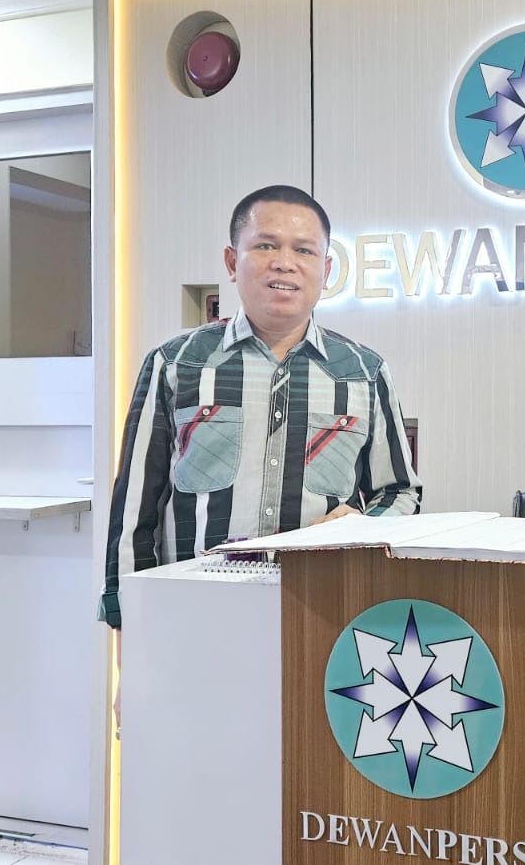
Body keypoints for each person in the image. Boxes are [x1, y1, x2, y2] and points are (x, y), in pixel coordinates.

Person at [99, 185, 420, 628]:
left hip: (322, 612)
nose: (285, 262)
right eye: (266, 245)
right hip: (193, 613)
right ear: (233, 262)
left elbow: (400, 492)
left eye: (304, 250)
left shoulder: (363, 372)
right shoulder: (176, 364)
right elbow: (136, 505)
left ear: (326, 269)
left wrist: (363, 525)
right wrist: (126, 616)